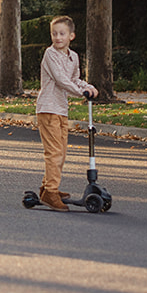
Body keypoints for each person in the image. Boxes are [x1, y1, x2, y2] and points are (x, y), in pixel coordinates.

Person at [35, 14, 98, 211]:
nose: (57, 37)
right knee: (54, 152)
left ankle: (47, 188)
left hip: (61, 109)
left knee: (61, 153)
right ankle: (51, 192)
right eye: (54, 34)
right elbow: (62, 80)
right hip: (48, 108)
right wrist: (81, 92)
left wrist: (88, 87)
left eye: (62, 34)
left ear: (71, 36)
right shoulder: (50, 54)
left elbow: (74, 78)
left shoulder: (73, 57)